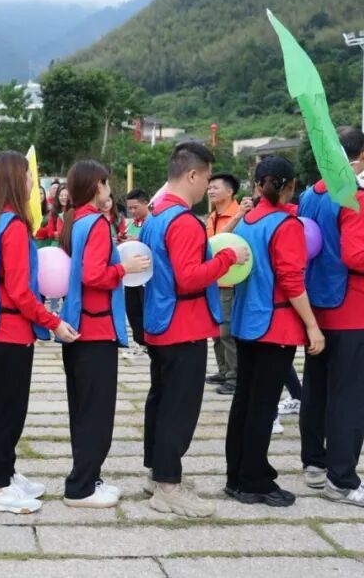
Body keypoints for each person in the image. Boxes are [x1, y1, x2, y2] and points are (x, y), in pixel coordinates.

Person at [140, 142, 249, 518]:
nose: (207, 185)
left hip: (159, 320)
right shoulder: (184, 221)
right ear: (191, 175)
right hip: (182, 325)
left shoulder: (155, 216)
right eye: (206, 177)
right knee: (179, 408)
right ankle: (168, 487)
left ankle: (157, 473)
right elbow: (188, 278)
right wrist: (227, 257)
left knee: (160, 401)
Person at [299, 127, 364, 509]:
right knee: (350, 397)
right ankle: (342, 480)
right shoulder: (355, 197)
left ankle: (315, 463)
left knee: (317, 389)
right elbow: (357, 256)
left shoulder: (311, 194)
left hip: (317, 306)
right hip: (351, 310)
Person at [0, 151, 79, 514]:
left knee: (7, 408)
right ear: (14, 180)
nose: (32, 182)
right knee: (8, 411)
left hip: (1, 329)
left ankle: (8, 472)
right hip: (10, 332)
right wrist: (54, 322)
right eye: (27, 176)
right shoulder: (15, 226)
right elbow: (20, 292)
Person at [225, 156, 325, 507]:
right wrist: (312, 325)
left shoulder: (247, 222)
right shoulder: (287, 225)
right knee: (263, 404)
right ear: (290, 186)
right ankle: (254, 480)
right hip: (276, 324)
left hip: (245, 320)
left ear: (257, 184)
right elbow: (292, 281)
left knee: (244, 401)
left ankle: (236, 476)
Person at [58, 160, 150, 509]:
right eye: (107, 183)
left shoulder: (75, 219)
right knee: (96, 413)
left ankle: (88, 477)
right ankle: (81, 487)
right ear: (97, 186)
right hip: (95, 331)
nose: (109, 189)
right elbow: (93, 275)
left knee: (83, 411)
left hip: (79, 328)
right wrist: (124, 267)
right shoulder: (96, 222)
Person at [205, 172, 253, 396]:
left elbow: (219, 243)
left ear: (230, 191)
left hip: (231, 281)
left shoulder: (241, 214)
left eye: (215, 187)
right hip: (214, 280)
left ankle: (234, 377)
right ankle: (223, 371)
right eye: (209, 187)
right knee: (215, 331)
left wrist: (238, 216)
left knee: (227, 332)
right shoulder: (213, 216)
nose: (211, 191)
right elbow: (209, 245)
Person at [123, 189, 151, 351]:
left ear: (146, 203)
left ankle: (149, 341)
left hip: (147, 274)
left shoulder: (153, 222)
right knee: (132, 308)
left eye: (135, 207)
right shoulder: (130, 225)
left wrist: (140, 240)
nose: (132, 211)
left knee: (145, 308)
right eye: (130, 208)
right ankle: (139, 341)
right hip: (131, 274)